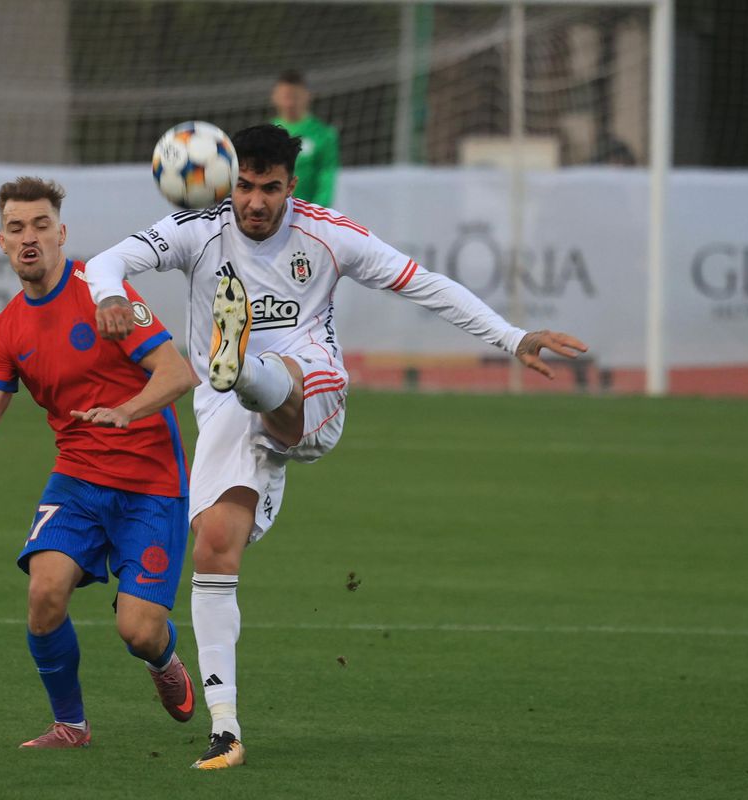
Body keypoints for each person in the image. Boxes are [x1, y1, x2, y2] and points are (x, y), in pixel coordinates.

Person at [86, 125, 587, 769]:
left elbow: (424, 283)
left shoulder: (327, 234)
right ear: (228, 183)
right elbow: (106, 262)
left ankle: (247, 368)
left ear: (292, 186)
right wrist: (108, 296)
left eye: (270, 189)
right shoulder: (197, 229)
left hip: (312, 390)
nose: (256, 202)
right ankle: (225, 729)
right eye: (245, 186)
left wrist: (511, 337)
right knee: (213, 546)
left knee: (279, 373)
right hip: (226, 412)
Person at [0, 176, 200, 749]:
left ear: (61, 233)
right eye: (16, 228)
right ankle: (71, 726)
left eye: (41, 225)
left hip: (151, 481)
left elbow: (177, 373)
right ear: (2, 242)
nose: (29, 237)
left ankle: (162, 657)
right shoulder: (6, 329)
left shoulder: (103, 293)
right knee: (43, 594)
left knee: (137, 630)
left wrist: (126, 411)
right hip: (79, 478)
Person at [271, 69, 339, 207]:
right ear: (274, 97)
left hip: (307, 212)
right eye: (285, 96)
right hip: (273, 211)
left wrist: (318, 210)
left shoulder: (323, 134)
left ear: (308, 96)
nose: (290, 103)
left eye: (295, 96)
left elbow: (327, 177)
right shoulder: (266, 133)